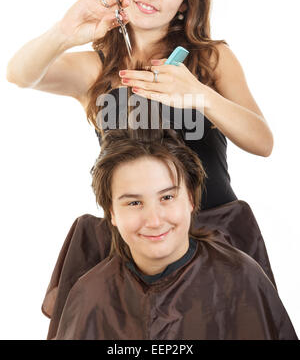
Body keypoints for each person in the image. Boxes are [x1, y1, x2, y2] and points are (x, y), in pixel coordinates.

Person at [6, 0, 273, 210]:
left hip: (213, 233)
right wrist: (64, 33)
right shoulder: (96, 69)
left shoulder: (211, 57)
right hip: (137, 238)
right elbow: (18, 75)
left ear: (185, 1)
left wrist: (199, 95)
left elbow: (262, 143)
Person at [45, 127, 296, 340]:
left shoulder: (241, 279)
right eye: (134, 203)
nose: (154, 221)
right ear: (111, 212)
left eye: (167, 197)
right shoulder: (92, 294)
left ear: (190, 199)